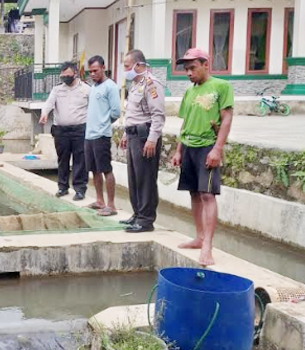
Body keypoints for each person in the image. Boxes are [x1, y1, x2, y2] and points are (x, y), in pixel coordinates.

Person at [171, 48, 234, 266]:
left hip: (207, 146)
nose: (188, 73)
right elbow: (185, 122)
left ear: (206, 64)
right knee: (194, 193)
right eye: (186, 69)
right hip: (188, 145)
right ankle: (198, 237)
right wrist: (179, 150)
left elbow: (226, 119)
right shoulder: (190, 92)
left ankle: (207, 245)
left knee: (208, 195)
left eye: (192, 68)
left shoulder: (221, 86)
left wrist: (217, 149)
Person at [119, 49, 166, 233]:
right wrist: (125, 134)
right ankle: (137, 213)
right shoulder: (135, 84)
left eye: (127, 66)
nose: (125, 70)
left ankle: (146, 219)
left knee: (146, 178)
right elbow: (134, 113)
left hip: (145, 136)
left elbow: (158, 115)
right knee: (134, 178)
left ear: (139, 65)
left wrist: (152, 139)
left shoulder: (151, 84)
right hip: (133, 135)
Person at [40, 61, 90, 199]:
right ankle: (62, 187)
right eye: (63, 76)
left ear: (75, 73)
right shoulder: (57, 90)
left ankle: (80, 189)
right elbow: (49, 104)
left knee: (80, 160)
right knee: (63, 159)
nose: (65, 78)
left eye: (68, 75)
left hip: (80, 130)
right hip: (61, 131)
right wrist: (44, 114)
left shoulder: (86, 89)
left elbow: (93, 108)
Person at [85, 55, 121, 216]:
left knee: (106, 169)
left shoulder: (110, 87)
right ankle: (99, 200)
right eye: (90, 71)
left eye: (95, 71)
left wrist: (103, 123)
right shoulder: (93, 87)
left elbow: (115, 112)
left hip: (102, 135)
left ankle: (111, 205)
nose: (92, 74)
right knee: (94, 169)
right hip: (89, 134)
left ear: (103, 68)